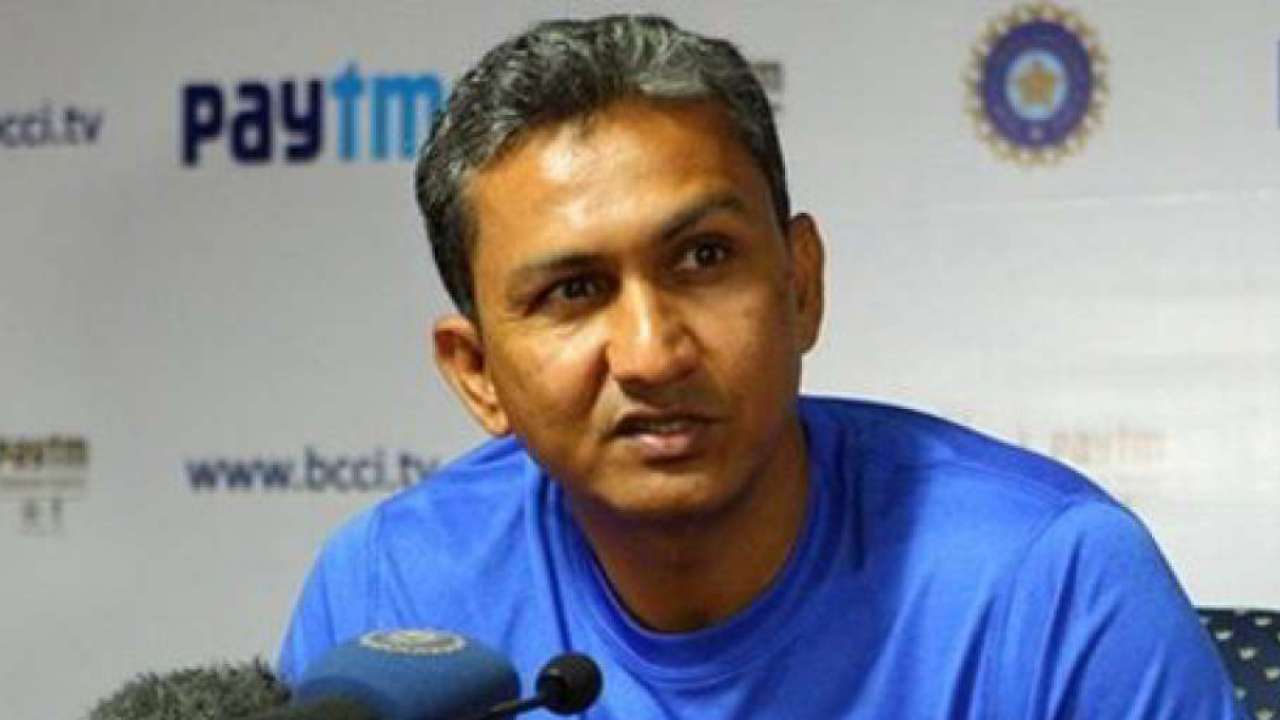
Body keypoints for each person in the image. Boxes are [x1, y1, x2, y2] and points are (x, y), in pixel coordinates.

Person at [279, 15, 1242, 718]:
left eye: (703, 259)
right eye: (573, 291)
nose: (654, 352)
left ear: (800, 284)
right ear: (476, 372)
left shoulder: (1050, 579)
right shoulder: (391, 590)